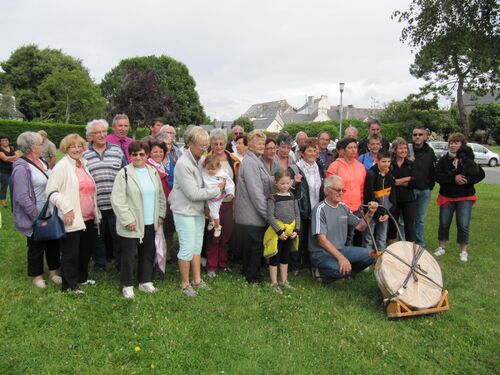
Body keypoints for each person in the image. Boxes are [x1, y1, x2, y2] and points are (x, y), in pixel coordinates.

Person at [169, 127, 224, 297]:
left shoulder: (200, 159)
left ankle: (197, 280)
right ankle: (185, 284)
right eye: (201, 145)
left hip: (198, 211)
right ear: (190, 144)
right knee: (186, 247)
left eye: (206, 145)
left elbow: (208, 178)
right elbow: (193, 193)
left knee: (196, 247)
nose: (205, 149)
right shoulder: (183, 164)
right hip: (184, 211)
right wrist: (216, 191)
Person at [111, 141, 167, 298]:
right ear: (130, 155)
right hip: (132, 223)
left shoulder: (153, 172)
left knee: (147, 253)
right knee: (128, 256)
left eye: (142, 154)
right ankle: (127, 284)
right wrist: (127, 219)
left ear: (147, 155)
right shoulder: (124, 174)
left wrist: (161, 215)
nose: (138, 157)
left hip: (151, 222)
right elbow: (117, 200)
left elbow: (161, 197)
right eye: (134, 154)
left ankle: (145, 281)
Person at [46, 134, 99, 293]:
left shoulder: (83, 164)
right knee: (71, 253)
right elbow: (51, 191)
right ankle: (69, 286)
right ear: (65, 149)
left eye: (79, 146)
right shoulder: (62, 167)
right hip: (72, 217)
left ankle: (81, 278)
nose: (77, 149)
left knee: (85, 251)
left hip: (88, 216)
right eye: (72, 146)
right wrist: (67, 208)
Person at [10, 131, 61, 288]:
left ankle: (54, 272)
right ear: (31, 147)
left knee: (53, 242)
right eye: (40, 144)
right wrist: (36, 216)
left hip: (49, 212)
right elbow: (21, 196)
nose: (43, 146)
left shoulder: (43, 162)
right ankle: (37, 276)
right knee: (36, 245)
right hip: (35, 214)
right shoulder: (21, 168)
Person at [309, 175, 378, 283]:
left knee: (373, 255)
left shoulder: (343, 207)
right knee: (339, 270)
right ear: (327, 190)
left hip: (341, 249)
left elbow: (360, 227)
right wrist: (341, 258)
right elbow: (321, 240)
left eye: (343, 190)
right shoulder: (320, 209)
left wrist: (370, 213)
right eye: (337, 190)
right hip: (321, 253)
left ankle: (346, 271)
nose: (341, 193)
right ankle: (320, 274)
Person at [83, 119, 126, 272]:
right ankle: (99, 263)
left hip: (116, 202)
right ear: (90, 135)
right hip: (95, 203)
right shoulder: (84, 154)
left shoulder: (117, 150)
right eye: (97, 132)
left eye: (104, 131)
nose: (102, 135)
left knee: (118, 234)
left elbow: (125, 173)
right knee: (98, 235)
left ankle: (120, 262)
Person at [434, 133, 485, 262]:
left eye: (456, 142)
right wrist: (453, 178)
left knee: (463, 224)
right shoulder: (443, 160)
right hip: (447, 196)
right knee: (444, 223)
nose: (452, 145)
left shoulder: (468, 160)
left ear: (462, 145)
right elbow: (437, 176)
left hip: (465, 196)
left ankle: (463, 251)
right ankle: (441, 247)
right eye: (451, 142)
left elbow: (480, 175)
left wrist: (466, 179)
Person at [235, 130, 273, 283]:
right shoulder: (250, 162)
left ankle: (253, 274)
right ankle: (252, 278)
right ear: (249, 145)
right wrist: (269, 216)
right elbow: (256, 194)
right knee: (254, 248)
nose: (262, 146)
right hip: (252, 215)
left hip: (254, 215)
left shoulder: (256, 160)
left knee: (255, 248)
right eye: (258, 143)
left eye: (263, 143)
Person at [203, 128, 240, 277]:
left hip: (229, 203)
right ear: (210, 144)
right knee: (214, 235)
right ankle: (211, 266)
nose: (218, 147)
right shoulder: (206, 160)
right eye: (215, 143)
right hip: (213, 203)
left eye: (221, 143)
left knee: (226, 235)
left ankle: (223, 263)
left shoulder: (233, 159)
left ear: (226, 143)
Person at [288, 138, 325, 277]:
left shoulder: (319, 167)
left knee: (313, 239)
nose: (313, 153)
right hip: (300, 209)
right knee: (299, 238)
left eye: (315, 150)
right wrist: (294, 182)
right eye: (309, 150)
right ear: (302, 153)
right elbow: (287, 189)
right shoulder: (295, 168)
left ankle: (310, 265)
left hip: (316, 209)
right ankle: (295, 266)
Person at [263, 169, 300, 293]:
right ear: (276, 183)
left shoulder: (292, 196)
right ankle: (274, 283)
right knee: (275, 257)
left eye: (287, 183)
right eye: (282, 183)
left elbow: (297, 214)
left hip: (290, 232)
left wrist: (296, 230)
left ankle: (284, 281)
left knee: (285, 256)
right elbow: (270, 216)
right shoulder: (273, 198)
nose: (285, 186)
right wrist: (279, 232)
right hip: (277, 233)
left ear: (291, 183)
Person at [326, 137, 366, 246]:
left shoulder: (361, 167)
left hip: (357, 208)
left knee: (356, 236)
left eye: (355, 147)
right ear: (342, 151)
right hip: (340, 208)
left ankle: (356, 262)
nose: (353, 150)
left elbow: (362, 187)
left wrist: (361, 203)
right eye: (350, 148)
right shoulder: (335, 166)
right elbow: (329, 189)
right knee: (342, 239)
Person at [409, 127, 437, 249]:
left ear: (425, 137)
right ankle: (407, 241)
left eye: (420, 134)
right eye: (415, 134)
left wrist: (430, 186)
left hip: (425, 190)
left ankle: (420, 243)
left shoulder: (430, 152)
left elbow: (433, 170)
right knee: (407, 218)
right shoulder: (408, 150)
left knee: (420, 219)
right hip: (410, 190)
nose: (417, 136)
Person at [363, 149, 395, 251]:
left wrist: (387, 213)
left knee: (382, 235)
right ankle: (366, 258)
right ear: (377, 160)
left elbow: (393, 195)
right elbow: (369, 196)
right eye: (384, 161)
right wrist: (377, 214)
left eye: (388, 161)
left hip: (385, 211)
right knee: (369, 235)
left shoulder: (390, 173)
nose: (386, 164)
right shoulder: (371, 174)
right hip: (373, 211)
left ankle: (381, 256)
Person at [387, 138, 416, 244]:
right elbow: (390, 182)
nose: (403, 150)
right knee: (392, 225)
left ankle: (410, 252)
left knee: (410, 226)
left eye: (405, 148)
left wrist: (398, 181)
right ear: (394, 150)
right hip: (393, 199)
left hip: (408, 199)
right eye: (400, 148)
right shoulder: (390, 164)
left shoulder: (410, 164)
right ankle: (393, 250)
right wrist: (406, 179)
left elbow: (415, 181)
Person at [202, 154, 235, 237]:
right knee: (207, 210)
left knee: (214, 213)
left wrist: (230, 192)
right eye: (208, 168)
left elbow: (230, 183)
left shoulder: (222, 174)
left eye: (213, 169)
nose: (210, 171)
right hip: (207, 195)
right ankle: (211, 222)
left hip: (216, 197)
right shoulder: (204, 171)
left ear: (218, 167)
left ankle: (217, 227)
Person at [0, 134, 18, 208]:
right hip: (3, 172)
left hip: (13, 171)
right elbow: (5, 158)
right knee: (4, 187)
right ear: (0, 142)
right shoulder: (0, 149)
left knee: (15, 187)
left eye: (6, 140)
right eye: (3, 140)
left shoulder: (12, 148)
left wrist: (10, 158)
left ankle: (15, 201)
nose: (5, 141)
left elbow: (18, 156)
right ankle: (3, 202)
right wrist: (13, 158)